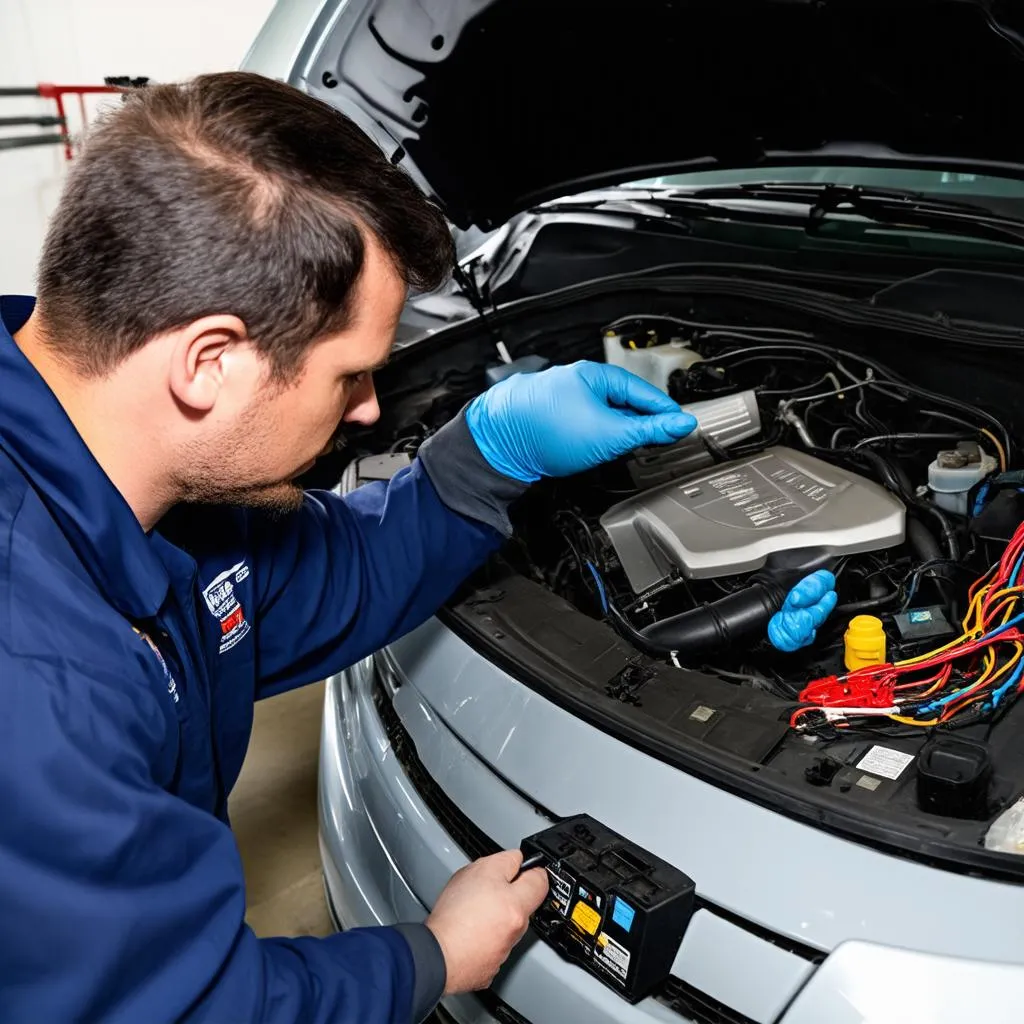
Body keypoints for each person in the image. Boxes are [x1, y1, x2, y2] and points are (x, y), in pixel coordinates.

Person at [0, 72, 702, 1023]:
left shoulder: (150, 484)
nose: (370, 410)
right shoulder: (39, 688)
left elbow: (331, 573)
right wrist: (431, 958)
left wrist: (486, 456)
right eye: (350, 374)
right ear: (211, 361)